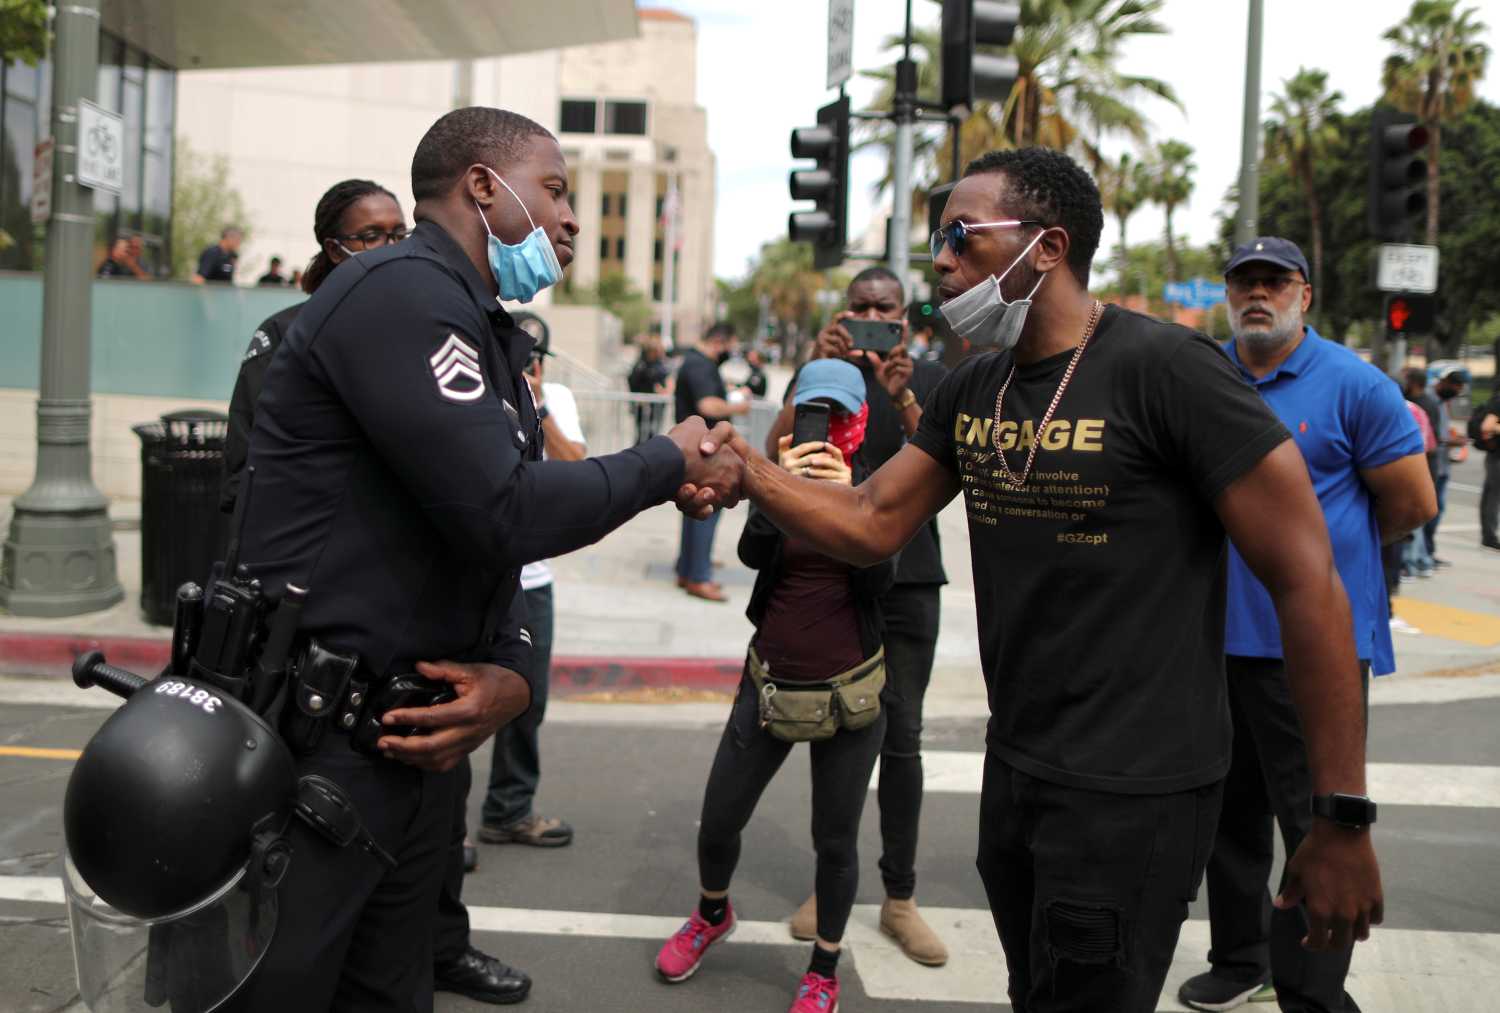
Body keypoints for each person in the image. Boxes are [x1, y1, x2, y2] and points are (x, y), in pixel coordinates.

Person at [691, 147, 1385, 1013]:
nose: (940, 260)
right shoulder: (974, 386)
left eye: (961, 236)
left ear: (1047, 247)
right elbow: (871, 522)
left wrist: (1340, 816)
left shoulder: (1167, 371)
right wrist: (749, 469)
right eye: (938, 238)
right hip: (1018, 769)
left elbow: (1310, 582)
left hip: (1136, 788)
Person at [225, 106, 742, 1012]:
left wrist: (505, 667)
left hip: (414, 743)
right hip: (323, 750)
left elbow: (474, 529)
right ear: (481, 186)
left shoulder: (479, 322)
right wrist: (670, 460)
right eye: (554, 190)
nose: (571, 218)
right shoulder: (400, 293)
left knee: (391, 991)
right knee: (280, 990)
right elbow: (502, 508)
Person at [217, 176, 536, 1007]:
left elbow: (487, 504)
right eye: (369, 235)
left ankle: (444, 944)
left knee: (424, 864)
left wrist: (510, 655)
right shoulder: (292, 337)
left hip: (425, 670)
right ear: (332, 247)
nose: (389, 247)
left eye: (398, 231)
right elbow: (250, 495)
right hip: (321, 684)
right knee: (294, 947)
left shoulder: (451, 335)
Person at [1175, 237, 1432, 1013]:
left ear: (1304, 295)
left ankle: (1314, 992)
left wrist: (1323, 563)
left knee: (1318, 823)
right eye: (1244, 282)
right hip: (1214, 642)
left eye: (1274, 282)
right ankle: (1239, 958)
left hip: (1312, 651)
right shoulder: (1202, 375)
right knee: (1229, 814)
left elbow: (1411, 504)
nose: (1258, 294)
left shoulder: (1356, 384)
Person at [655, 358, 892, 1013]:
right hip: (767, 680)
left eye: (840, 413)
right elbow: (756, 555)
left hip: (852, 694)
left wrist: (848, 501)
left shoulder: (876, 486)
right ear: (790, 413)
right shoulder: (776, 478)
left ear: (861, 418)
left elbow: (882, 580)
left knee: (835, 839)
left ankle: (823, 967)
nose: (828, 425)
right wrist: (776, 485)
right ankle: (711, 913)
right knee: (720, 818)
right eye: (813, 410)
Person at [768, 266, 951, 967]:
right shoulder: (822, 369)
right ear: (845, 312)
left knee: (902, 739)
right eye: (862, 308)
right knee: (835, 734)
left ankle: (899, 897)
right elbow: (776, 454)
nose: (873, 318)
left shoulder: (930, 379)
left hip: (910, 581)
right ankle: (828, 883)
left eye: (886, 309)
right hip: (835, 578)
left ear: (905, 318)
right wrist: (815, 368)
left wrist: (904, 398)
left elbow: (947, 465)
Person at [478, 311, 583, 851]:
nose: (527, 363)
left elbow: (575, 466)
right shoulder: (474, 386)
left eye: (535, 355)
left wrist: (538, 404)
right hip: (473, 570)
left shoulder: (555, 399)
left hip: (532, 579)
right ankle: (438, 823)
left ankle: (508, 808)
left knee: (525, 699)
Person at [675, 322, 751, 602]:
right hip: (704, 451)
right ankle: (698, 576)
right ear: (720, 341)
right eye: (730, 345)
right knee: (706, 507)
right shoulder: (701, 365)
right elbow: (708, 405)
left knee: (694, 508)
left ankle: (689, 568)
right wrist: (738, 407)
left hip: (697, 449)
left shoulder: (695, 363)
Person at [1425, 365, 1468, 565]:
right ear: (1445, 383)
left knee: (1438, 511)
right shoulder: (1429, 400)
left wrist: (1452, 435)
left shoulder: (1443, 402)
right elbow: (1428, 434)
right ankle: (1421, 555)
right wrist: (1450, 441)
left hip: (1442, 466)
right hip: (1430, 466)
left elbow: (1441, 429)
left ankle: (1428, 552)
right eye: (1455, 387)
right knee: (1427, 512)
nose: (1457, 392)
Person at [1400, 368, 1440, 580]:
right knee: (1419, 518)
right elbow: (1431, 444)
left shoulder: (1402, 409)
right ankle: (1423, 562)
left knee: (1409, 521)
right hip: (1425, 466)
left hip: (1408, 470)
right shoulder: (1419, 409)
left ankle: (1410, 564)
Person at [629, 333, 672, 445]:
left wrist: (664, 390)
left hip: (656, 406)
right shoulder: (641, 365)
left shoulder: (659, 364)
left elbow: (666, 379)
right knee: (643, 434)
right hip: (643, 405)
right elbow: (633, 381)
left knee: (653, 433)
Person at [1472, 387, 1500, 551]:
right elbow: (1487, 427)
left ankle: (1489, 535)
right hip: (1497, 457)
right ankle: (1489, 537)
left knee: (1491, 494)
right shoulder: (1498, 401)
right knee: (1492, 496)